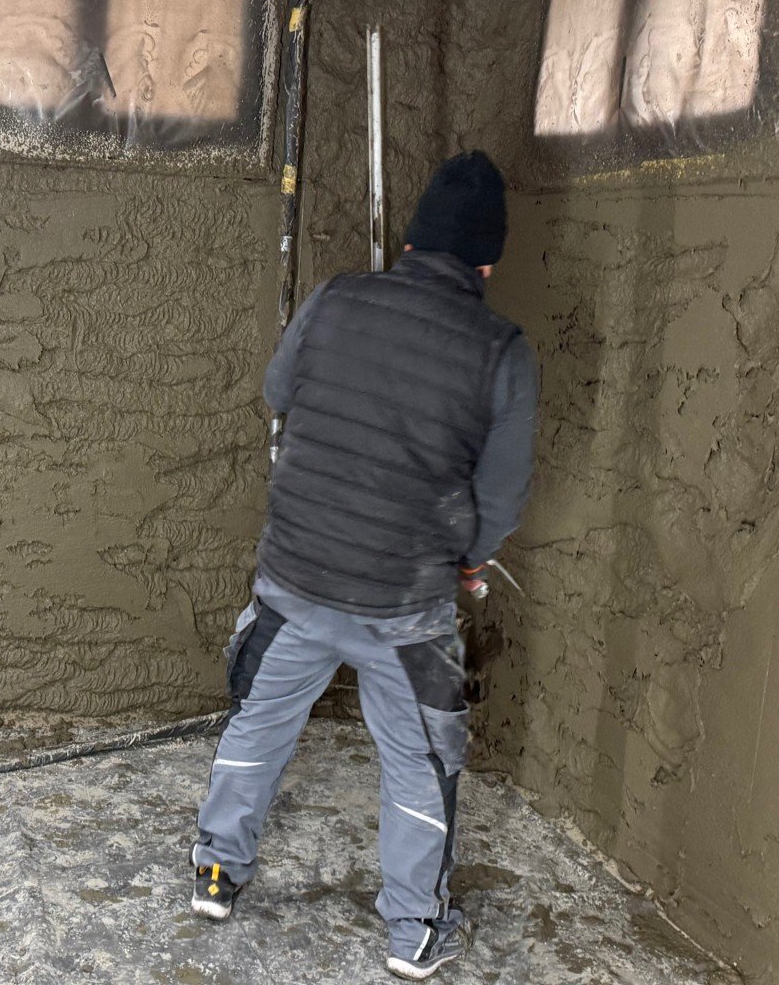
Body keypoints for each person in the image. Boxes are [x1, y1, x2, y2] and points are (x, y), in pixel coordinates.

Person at [189, 151, 539, 980]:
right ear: (486, 264)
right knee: (421, 762)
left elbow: (278, 391)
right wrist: (470, 559)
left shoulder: (335, 297)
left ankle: (216, 872)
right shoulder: (502, 351)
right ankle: (412, 929)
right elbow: (501, 494)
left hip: (294, 578)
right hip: (406, 607)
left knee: (257, 726)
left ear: (410, 243)